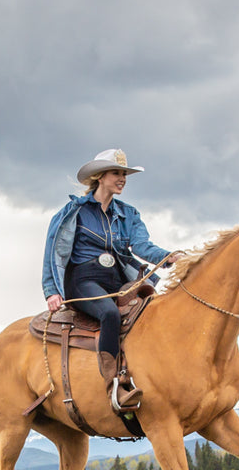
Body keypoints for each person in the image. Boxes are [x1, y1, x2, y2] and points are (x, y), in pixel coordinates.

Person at [42, 148, 172, 411]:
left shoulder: (128, 214)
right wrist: (51, 290)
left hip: (117, 278)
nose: (122, 178)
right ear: (100, 176)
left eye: (125, 174)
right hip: (83, 278)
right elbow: (53, 250)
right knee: (110, 315)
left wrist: (169, 257)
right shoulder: (73, 212)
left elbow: (142, 246)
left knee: (154, 307)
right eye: (117, 173)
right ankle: (114, 385)